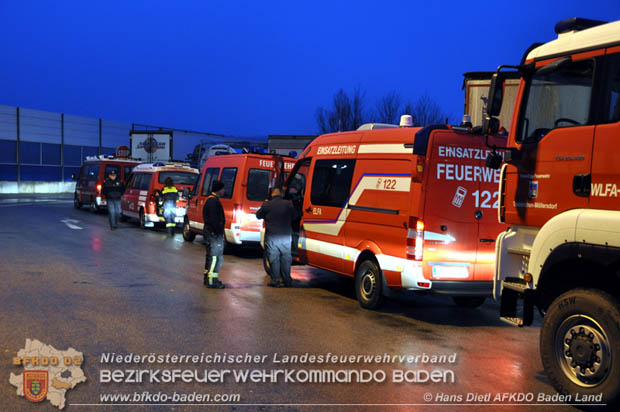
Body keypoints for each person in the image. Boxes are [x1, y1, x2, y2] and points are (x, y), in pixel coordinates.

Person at [256, 188, 297, 287]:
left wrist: (264, 204)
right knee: (286, 258)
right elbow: (295, 216)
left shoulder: (267, 205)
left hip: (273, 237)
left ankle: (275, 281)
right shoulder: (288, 204)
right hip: (286, 236)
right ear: (281, 194)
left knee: (274, 259)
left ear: (271, 195)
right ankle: (287, 281)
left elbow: (258, 215)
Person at [202, 180, 226, 289]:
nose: (224, 191)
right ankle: (212, 281)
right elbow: (214, 220)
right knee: (215, 258)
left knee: (210, 257)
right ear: (219, 190)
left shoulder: (211, 200)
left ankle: (207, 278)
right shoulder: (213, 202)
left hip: (210, 232)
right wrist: (218, 232)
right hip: (213, 233)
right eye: (222, 189)